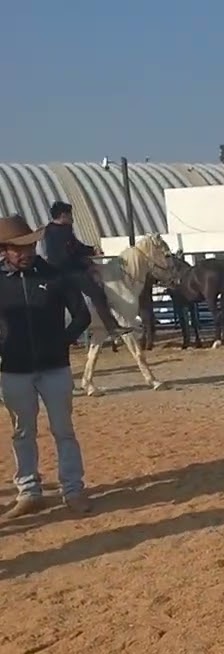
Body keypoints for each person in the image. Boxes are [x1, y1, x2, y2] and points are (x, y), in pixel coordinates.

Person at [0, 215, 93, 518]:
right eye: (18, 248)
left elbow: (82, 315)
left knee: (63, 430)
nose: (25, 253)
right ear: (5, 250)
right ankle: (29, 491)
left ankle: (73, 490)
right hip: (14, 370)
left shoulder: (55, 276)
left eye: (29, 246)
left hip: (55, 368)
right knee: (22, 432)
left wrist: (62, 341)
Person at [39, 201, 124, 339]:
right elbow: (70, 253)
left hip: (61, 272)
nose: (72, 218)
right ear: (63, 215)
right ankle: (112, 327)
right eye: (70, 214)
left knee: (81, 316)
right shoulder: (61, 231)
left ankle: (62, 340)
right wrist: (88, 264)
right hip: (69, 272)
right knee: (97, 293)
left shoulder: (53, 230)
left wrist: (91, 251)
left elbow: (76, 247)